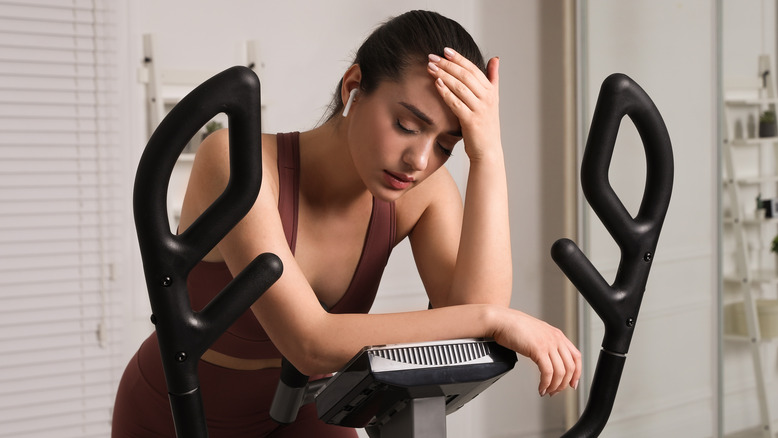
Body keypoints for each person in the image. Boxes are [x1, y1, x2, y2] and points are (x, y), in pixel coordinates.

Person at [112, 9, 581, 437]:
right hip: (175, 414)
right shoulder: (237, 161)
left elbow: (472, 328)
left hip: (302, 411)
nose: (418, 160)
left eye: (446, 145)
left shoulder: (424, 194)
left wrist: (488, 155)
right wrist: (496, 320)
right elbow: (309, 343)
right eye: (406, 124)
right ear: (353, 85)